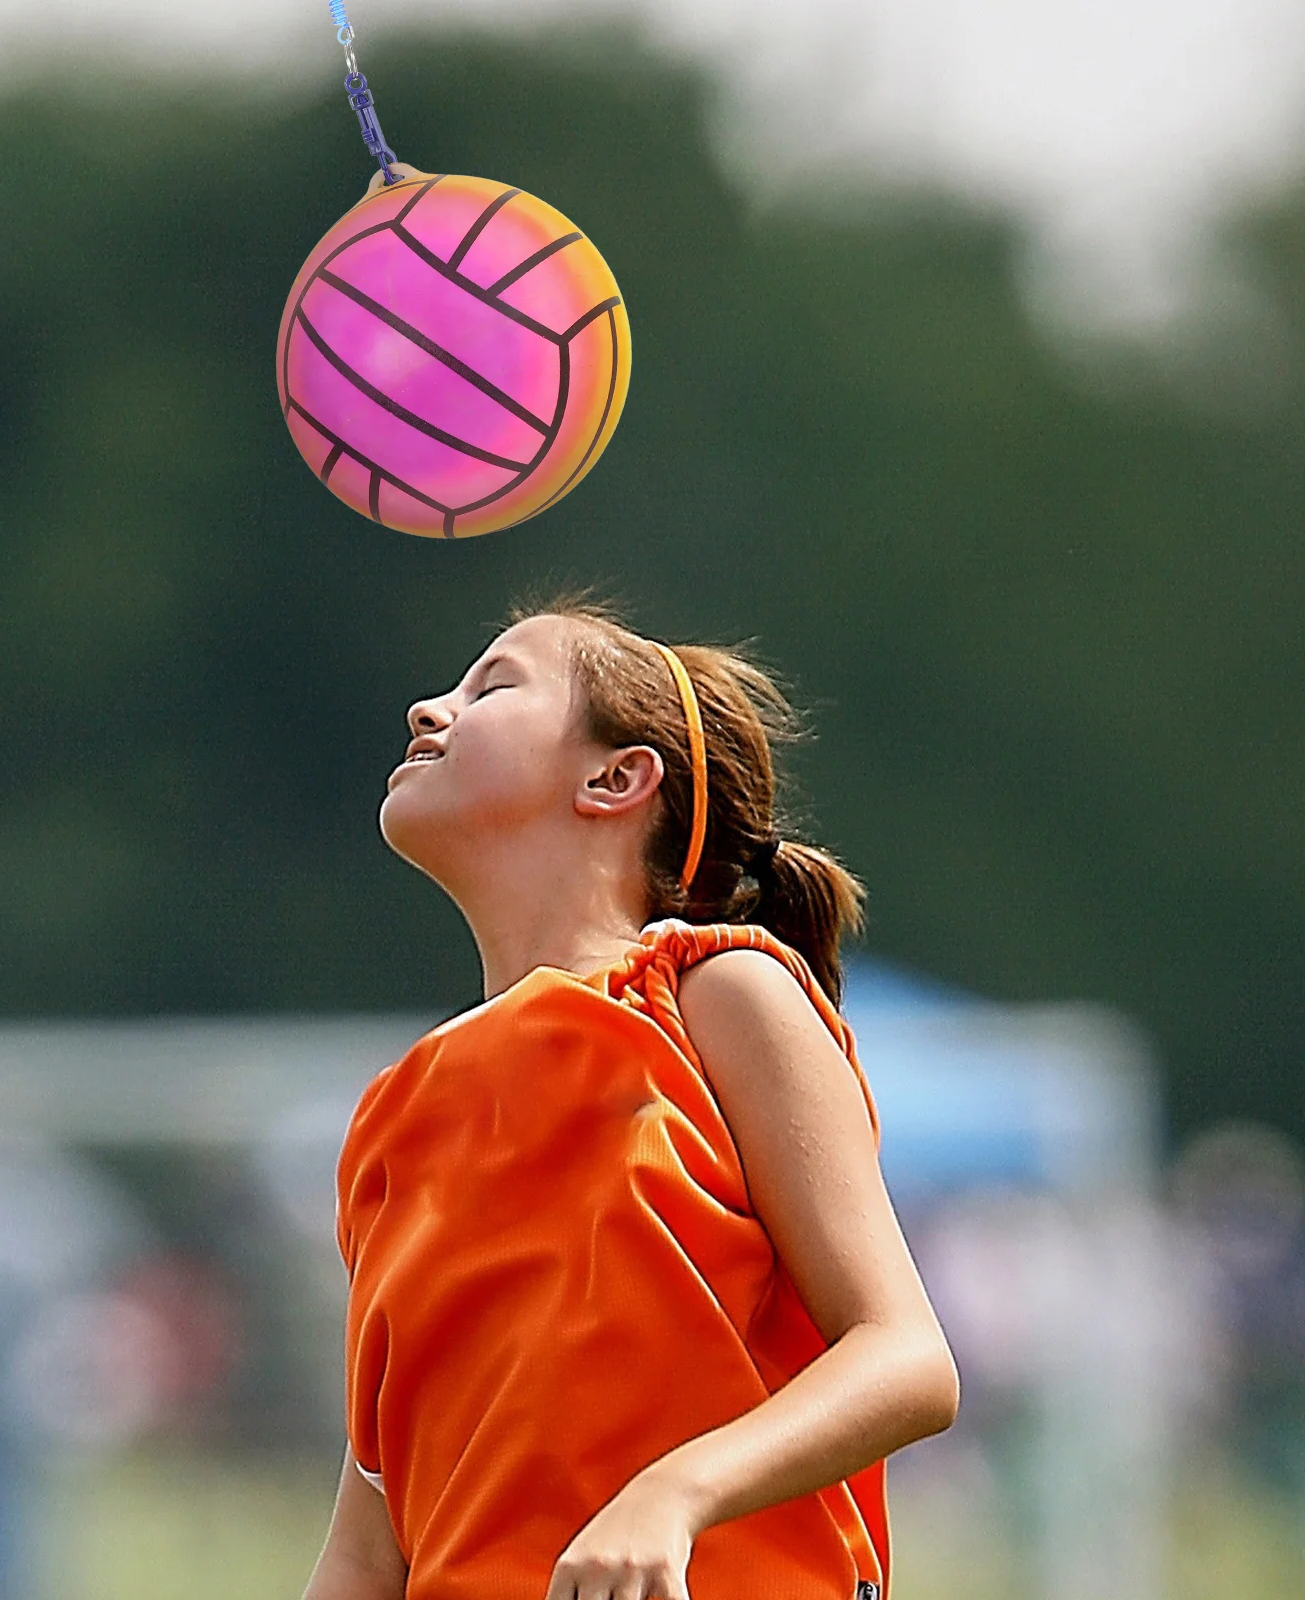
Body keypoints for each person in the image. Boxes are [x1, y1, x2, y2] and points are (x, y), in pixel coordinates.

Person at [302, 594, 959, 1600]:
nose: (427, 710)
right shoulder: (393, 1117)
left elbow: (907, 1358)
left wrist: (673, 1495)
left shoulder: (718, 996)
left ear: (616, 778)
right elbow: (367, 1544)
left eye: (494, 685)